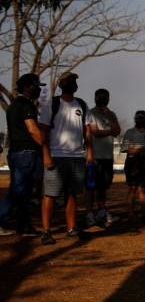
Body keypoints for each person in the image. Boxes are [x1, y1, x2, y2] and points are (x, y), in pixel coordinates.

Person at [39, 72, 93, 245]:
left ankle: (72, 228)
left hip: (77, 157)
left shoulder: (82, 105)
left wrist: (89, 152)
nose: (73, 83)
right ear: (62, 84)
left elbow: (87, 132)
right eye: (69, 81)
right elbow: (43, 131)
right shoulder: (52, 104)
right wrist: (46, 155)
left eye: (75, 81)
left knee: (72, 194)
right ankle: (46, 232)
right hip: (56, 156)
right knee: (50, 194)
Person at [0, 74, 46, 236]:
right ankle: (4, 220)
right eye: (36, 86)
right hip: (25, 153)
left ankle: (23, 225)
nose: (39, 89)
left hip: (16, 152)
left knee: (22, 191)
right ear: (27, 87)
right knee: (18, 191)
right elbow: (33, 130)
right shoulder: (26, 106)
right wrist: (45, 146)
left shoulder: (14, 105)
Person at [86, 89, 121, 227]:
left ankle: (101, 211)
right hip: (94, 156)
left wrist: (110, 121)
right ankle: (89, 214)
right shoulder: (91, 113)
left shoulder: (111, 114)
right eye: (100, 96)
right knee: (90, 187)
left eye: (105, 96)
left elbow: (117, 131)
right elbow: (94, 132)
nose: (103, 98)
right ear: (95, 98)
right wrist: (109, 131)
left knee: (103, 186)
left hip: (107, 156)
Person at [121, 110, 145, 222]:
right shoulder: (130, 132)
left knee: (142, 189)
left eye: (142, 118)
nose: (140, 120)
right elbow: (125, 149)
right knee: (132, 188)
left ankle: (144, 212)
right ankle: (130, 213)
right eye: (138, 117)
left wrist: (138, 150)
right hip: (132, 163)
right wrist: (141, 149)